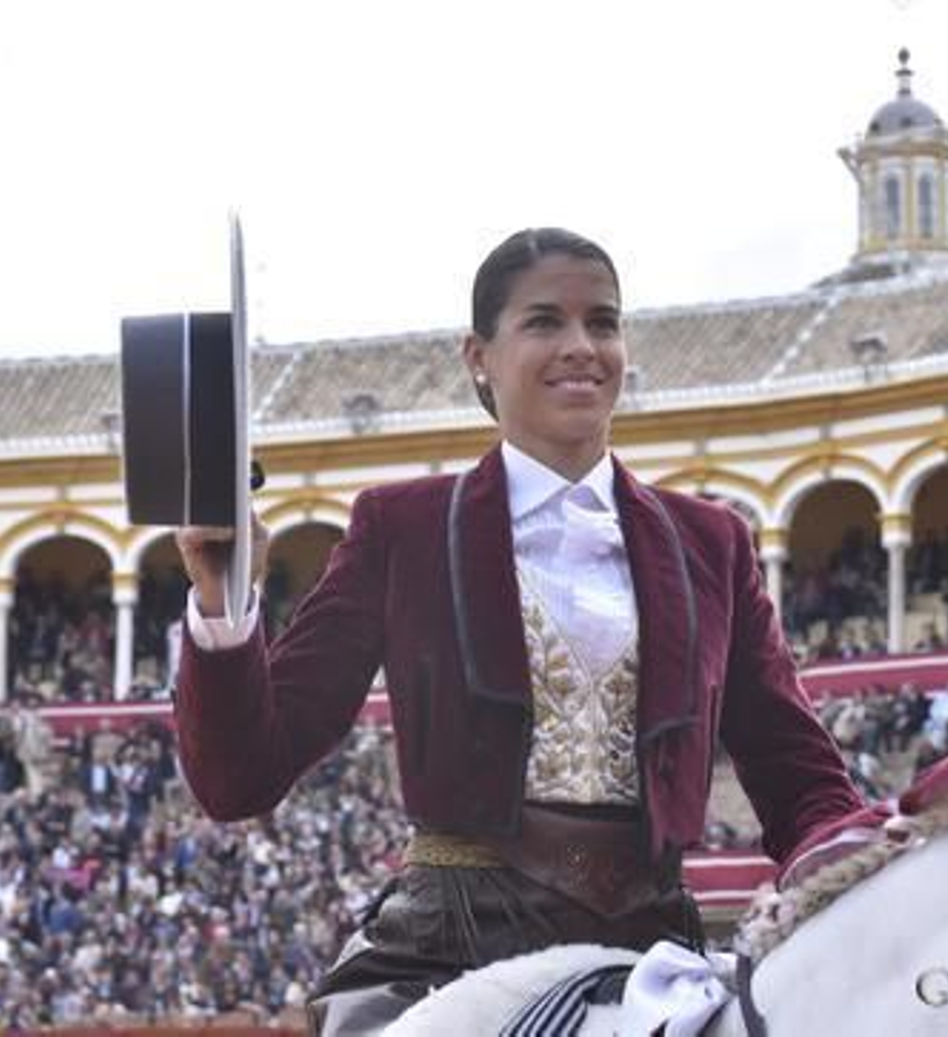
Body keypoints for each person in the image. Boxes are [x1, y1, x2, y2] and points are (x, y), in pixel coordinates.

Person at [172, 228, 882, 1034]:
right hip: (448, 958)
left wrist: (854, 856)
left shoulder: (711, 542)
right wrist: (223, 604)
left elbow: (799, 776)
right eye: (544, 321)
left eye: (603, 323)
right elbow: (240, 777)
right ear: (479, 355)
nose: (581, 346)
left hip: (652, 961)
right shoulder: (402, 527)